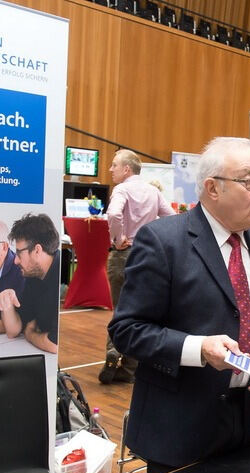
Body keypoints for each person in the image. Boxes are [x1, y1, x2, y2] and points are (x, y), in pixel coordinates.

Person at [108, 137, 250, 473]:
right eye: (249, 180)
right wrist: (199, 349)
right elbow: (127, 331)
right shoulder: (163, 242)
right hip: (180, 430)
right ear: (213, 188)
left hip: (249, 425)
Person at [101, 149, 176, 384]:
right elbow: (172, 218)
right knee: (139, 313)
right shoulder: (153, 191)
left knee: (119, 310)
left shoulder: (122, 189)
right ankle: (130, 368)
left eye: (114, 165)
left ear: (127, 169)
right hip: (148, 257)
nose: (110, 169)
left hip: (123, 255)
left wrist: (118, 238)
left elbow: (113, 213)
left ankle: (113, 349)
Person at [0, 214, 61, 354]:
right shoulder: (33, 277)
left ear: (37, 250)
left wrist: (30, 334)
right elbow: (14, 330)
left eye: (19, 253)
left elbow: (54, 345)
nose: (16, 261)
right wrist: (7, 306)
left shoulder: (59, 276)